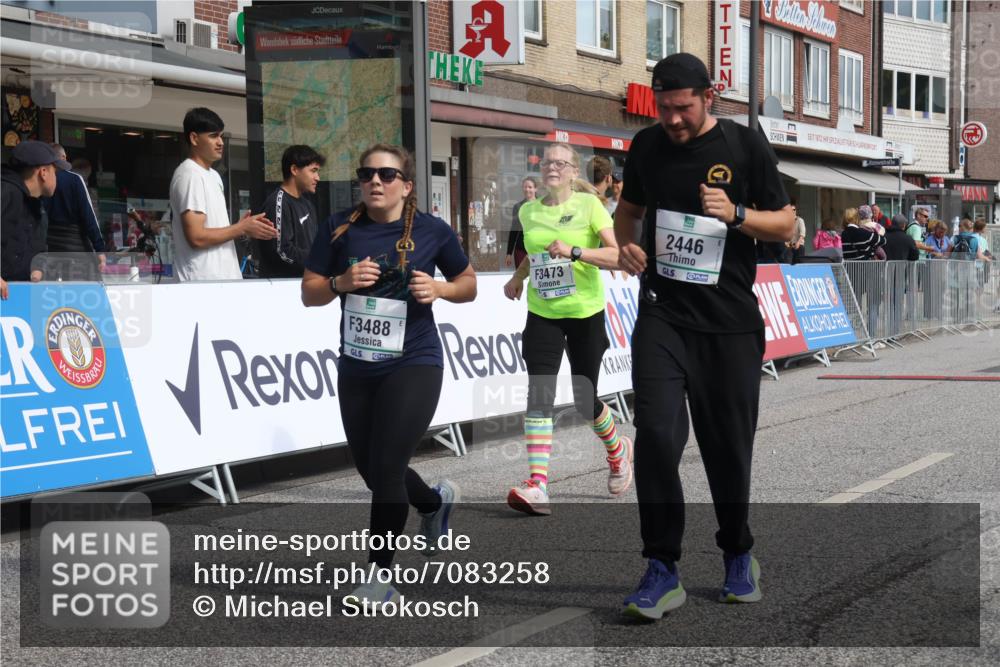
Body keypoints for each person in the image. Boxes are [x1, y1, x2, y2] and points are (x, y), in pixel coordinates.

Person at [614, 53, 794, 620]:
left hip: (729, 324)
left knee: (727, 450)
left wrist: (738, 214)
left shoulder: (743, 147)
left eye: (682, 107)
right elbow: (628, 211)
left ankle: (738, 552)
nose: (672, 119)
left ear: (708, 95)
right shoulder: (646, 146)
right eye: (663, 108)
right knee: (658, 439)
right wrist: (626, 244)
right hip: (664, 316)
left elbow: (787, 223)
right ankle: (661, 568)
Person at [301, 143, 477, 605]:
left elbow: (470, 285)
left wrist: (439, 288)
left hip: (414, 362)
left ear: (407, 185)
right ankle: (434, 504)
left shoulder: (433, 231)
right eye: (366, 174)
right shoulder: (339, 228)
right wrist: (340, 282)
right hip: (358, 365)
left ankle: (380, 577)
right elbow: (309, 292)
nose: (375, 182)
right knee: (373, 470)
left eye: (386, 175)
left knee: (387, 466)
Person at [502, 142, 629, 516]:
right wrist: (517, 278)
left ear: (574, 171)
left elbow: (617, 255)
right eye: (547, 162)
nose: (552, 167)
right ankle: (538, 484)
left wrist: (575, 251)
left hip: (585, 313)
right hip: (542, 312)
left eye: (561, 162)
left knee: (583, 399)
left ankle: (618, 451)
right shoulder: (528, 211)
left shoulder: (590, 206)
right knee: (539, 392)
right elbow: (536, 255)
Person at [169, 107, 277, 282]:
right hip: (201, 284)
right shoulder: (190, 175)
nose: (220, 142)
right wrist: (241, 228)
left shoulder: (213, 175)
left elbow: (211, 230)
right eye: (213, 136)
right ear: (194, 138)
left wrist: (242, 227)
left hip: (222, 281)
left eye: (221, 135)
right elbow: (196, 237)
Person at [1, 140, 66, 298]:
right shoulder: (6, 192)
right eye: (55, 173)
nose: (56, 179)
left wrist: (37, 269)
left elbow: (38, 249)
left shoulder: (37, 206)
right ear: (43, 172)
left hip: (17, 299)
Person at [258, 145, 325, 278]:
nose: (317, 177)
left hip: (306, 285)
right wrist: (319, 259)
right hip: (282, 289)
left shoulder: (307, 204)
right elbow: (281, 252)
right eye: (313, 170)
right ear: (294, 170)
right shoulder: (277, 202)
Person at [41, 143, 106, 281]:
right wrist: (99, 248)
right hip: (76, 248)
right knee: (79, 296)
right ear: (63, 157)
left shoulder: (42, 180)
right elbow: (89, 216)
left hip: (49, 248)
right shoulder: (75, 179)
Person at [505, 177, 537, 268]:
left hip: (538, 249)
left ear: (535, 189)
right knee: (521, 278)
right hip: (521, 249)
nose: (527, 189)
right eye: (525, 187)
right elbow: (513, 230)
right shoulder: (518, 206)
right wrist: (509, 253)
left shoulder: (542, 205)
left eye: (530, 187)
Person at [786, 197, 806, 262]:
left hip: (799, 246)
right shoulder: (787, 221)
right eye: (791, 210)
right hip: (790, 247)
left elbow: (802, 234)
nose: (793, 211)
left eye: (794, 210)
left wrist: (798, 243)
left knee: (799, 265)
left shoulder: (800, 220)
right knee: (789, 263)